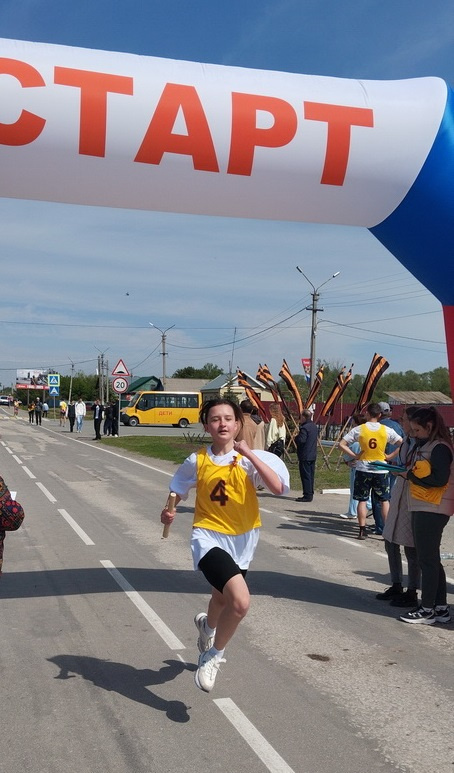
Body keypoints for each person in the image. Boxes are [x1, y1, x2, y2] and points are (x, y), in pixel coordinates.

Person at [160, 397, 289, 693]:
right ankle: (213, 655)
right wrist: (168, 510)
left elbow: (278, 488)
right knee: (240, 602)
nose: (222, 424)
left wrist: (249, 454)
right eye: (215, 419)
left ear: (238, 424)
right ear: (207, 426)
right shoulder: (197, 460)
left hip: (243, 539)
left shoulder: (249, 460)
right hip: (208, 536)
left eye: (228, 418)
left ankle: (207, 627)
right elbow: (177, 490)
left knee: (220, 599)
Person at [398, 406, 454, 625]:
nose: (414, 434)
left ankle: (427, 608)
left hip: (432, 507)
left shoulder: (439, 447)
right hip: (427, 506)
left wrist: (411, 476)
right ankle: (440, 607)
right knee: (432, 559)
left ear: (429, 426)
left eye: (417, 430)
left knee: (426, 560)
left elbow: (439, 479)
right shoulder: (429, 444)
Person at [376, 406, 421, 607]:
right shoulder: (405, 442)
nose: (400, 423)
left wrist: (403, 471)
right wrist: (393, 467)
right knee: (390, 539)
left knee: (411, 547)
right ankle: (396, 584)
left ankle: (412, 590)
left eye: (403, 419)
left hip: (413, 497)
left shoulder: (422, 443)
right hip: (399, 493)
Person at [339, 402, 403, 540]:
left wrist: (355, 455)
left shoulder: (359, 429)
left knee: (362, 500)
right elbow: (402, 443)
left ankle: (362, 530)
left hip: (363, 468)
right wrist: (390, 456)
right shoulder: (386, 430)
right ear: (380, 415)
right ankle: (387, 531)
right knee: (384, 500)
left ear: (367, 413)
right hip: (380, 468)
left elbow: (342, 444)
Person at [370, 402, 404, 534]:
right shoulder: (397, 426)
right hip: (395, 465)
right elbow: (403, 444)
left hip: (380, 465)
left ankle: (380, 526)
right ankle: (389, 524)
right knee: (388, 497)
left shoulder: (376, 427)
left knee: (378, 497)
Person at [339, 414, 372, 519]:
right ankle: (369, 505)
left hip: (356, 468)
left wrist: (347, 460)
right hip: (368, 467)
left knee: (355, 490)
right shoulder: (368, 437)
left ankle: (353, 511)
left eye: (353, 423)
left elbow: (346, 455)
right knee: (366, 489)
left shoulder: (355, 441)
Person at [295, 409, 318, 503]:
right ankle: (310, 492)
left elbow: (302, 440)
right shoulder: (314, 426)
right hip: (312, 454)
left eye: (300, 417)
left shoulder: (304, 428)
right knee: (311, 475)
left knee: (305, 475)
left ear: (304, 417)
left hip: (305, 454)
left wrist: (296, 437)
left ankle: (307, 495)